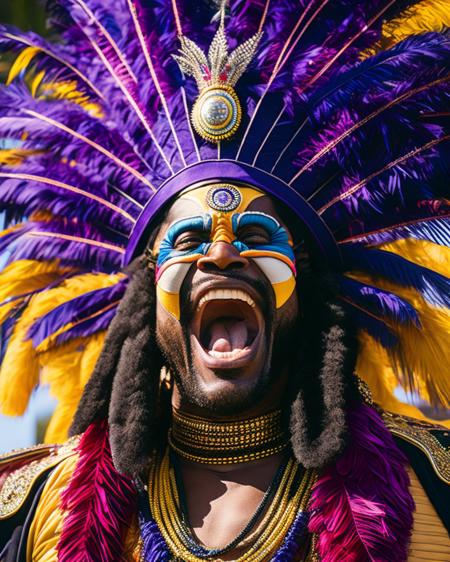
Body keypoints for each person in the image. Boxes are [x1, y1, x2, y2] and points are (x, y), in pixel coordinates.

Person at [0, 1, 449, 560]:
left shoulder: (430, 489)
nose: (221, 254)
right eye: (187, 242)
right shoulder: (42, 510)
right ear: (147, 293)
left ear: (304, 284)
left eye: (257, 235)